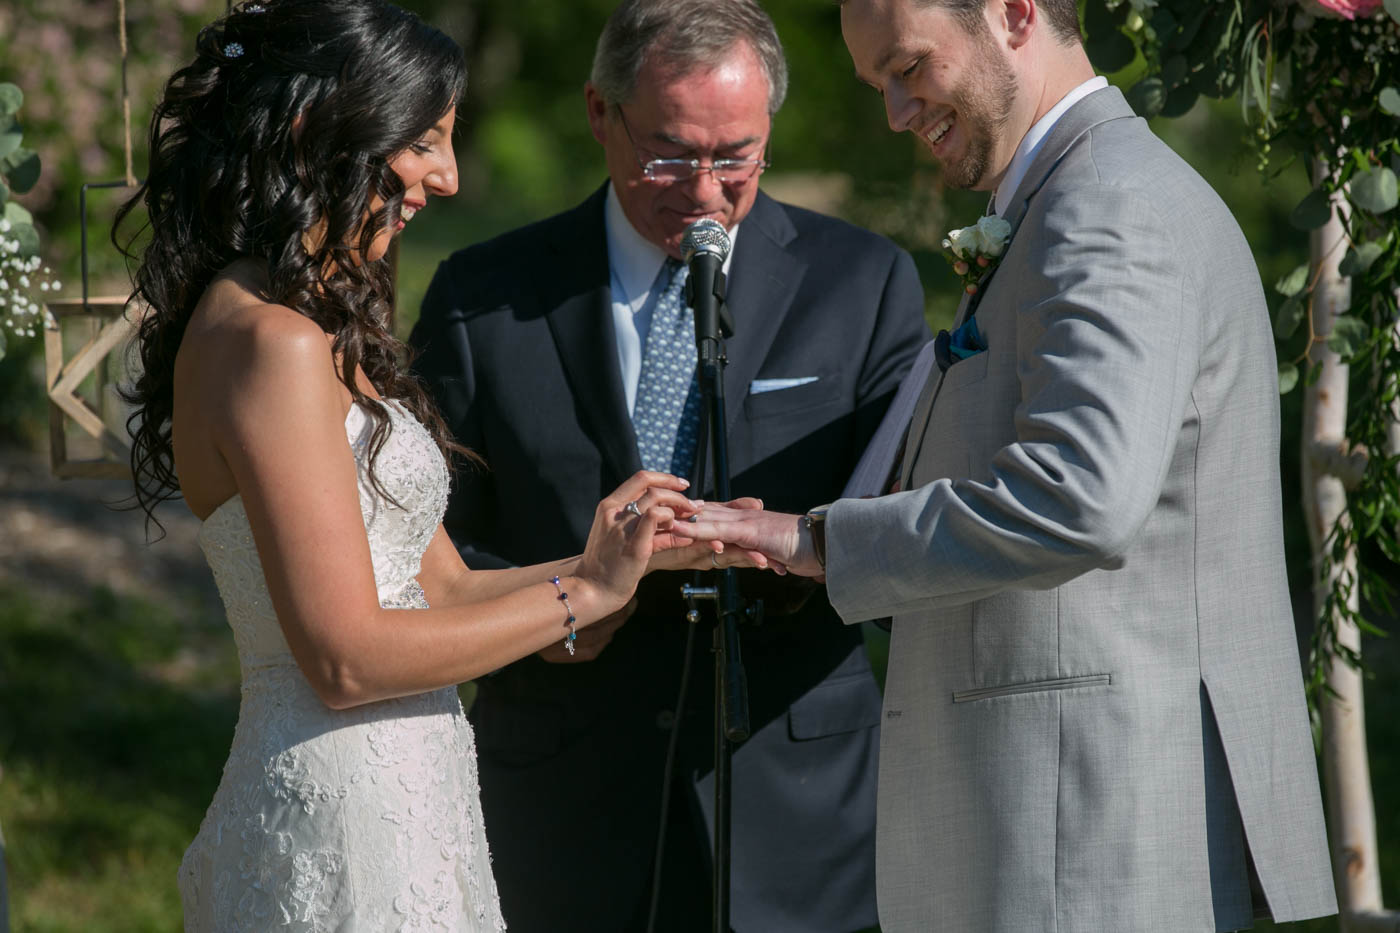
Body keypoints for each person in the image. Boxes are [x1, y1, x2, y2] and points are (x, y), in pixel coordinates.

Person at [683, 0, 1339, 930]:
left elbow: (1079, 495)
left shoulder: (1108, 204)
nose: (897, 113)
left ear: (1014, 11)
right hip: (1065, 824)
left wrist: (814, 537)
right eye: (880, 86)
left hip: (1095, 832)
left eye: (909, 68)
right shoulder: (1061, 197)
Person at [116, 1, 728, 929]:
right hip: (342, 812)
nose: (445, 177)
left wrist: (620, 561)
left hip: (413, 798)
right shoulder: (270, 343)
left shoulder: (311, 324)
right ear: (317, 130)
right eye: (425, 140)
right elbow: (344, 658)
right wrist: (582, 601)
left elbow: (435, 588)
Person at [408, 0, 929, 929]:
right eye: (669, 152)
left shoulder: (865, 281)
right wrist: (557, 608)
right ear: (600, 114)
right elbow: (425, 543)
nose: (703, 191)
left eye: (736, 156)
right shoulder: (483, 297)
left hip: (799, 803)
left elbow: (905, 521)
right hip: (562, 802)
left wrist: (802, 548)